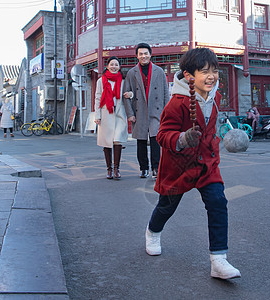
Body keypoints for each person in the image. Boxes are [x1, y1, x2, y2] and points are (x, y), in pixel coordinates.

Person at [144, 47, 241, 280]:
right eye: (204, 71)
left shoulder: (215, 96)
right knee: (167, 206)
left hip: (207, 164)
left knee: (218, 202)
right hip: (178, 165)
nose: (211, 76)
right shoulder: (176, 103)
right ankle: (152, 232)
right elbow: (162, 136)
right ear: (189, 76)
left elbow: (210, 130)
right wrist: (184, 138)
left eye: (215, 71)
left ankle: (219, 260)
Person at [123, 43, 169, 179]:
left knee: (156, 140)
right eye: (140, 54)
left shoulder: (159, 71)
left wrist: (166, 112)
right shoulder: (132, 73)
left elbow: (166, 93)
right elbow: (125, 94)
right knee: (141, 142)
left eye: (145, 53)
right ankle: (143, 168)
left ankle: (156, 168)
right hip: (140, 111)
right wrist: (130, 114)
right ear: (137, 56)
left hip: (156, 111)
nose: (143, 56)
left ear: (150, 54)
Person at [94, 56, 133, 180]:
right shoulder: (101, 80)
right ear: (107, 66)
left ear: (119, 67)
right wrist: (97, 115)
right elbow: (98, 98)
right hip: (106, 113)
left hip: (120, 113)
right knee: (107, 142)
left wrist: (130, 94)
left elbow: (131, 93)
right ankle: (109, 169)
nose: (114, 67)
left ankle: (116, 169)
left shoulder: (123, 80)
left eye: (116, 64)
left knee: (117, 140)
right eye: (112, 64)